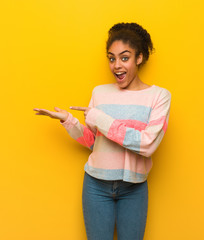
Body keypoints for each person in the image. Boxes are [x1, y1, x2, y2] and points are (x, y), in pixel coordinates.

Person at [33, 22, 171, 240]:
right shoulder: (100, 93)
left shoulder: (159, 96)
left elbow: (147, 145)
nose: (116, 65)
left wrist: (101, 119)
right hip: (95, 186)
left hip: (134, 189)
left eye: (124, 58)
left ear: (139, 58)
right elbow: (93, 141)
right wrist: (69, 121)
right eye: (111, 58)